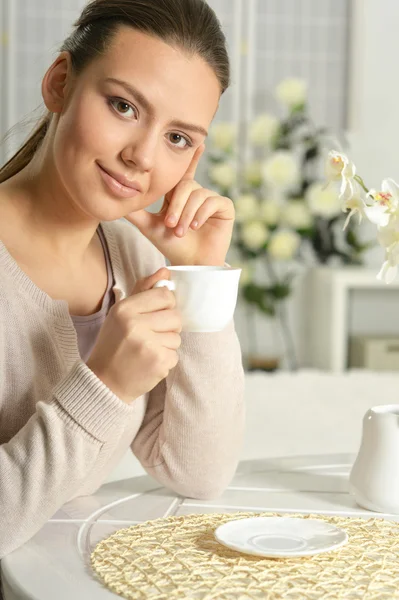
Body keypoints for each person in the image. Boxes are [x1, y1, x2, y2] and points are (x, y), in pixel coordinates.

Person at [0, 0, 245, 558]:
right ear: (60, 83)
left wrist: (200, 278)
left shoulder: (138, 260)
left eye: (178, 139)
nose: (141, 157)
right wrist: (104, 385)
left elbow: (197, 473)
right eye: (123, 106)